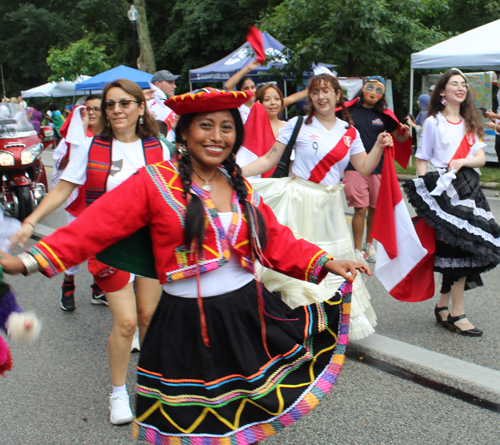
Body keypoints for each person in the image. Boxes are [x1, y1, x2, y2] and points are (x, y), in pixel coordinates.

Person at [1, 87, 370, 444]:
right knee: (193, 427)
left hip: (247, 313)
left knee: (248, 417)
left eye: (226, 127)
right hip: (186, 323)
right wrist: (26, 262)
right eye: (205, 125)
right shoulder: (154, 181)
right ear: (184, 133)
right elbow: (91, 228)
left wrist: (325, 262)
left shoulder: (238, 184)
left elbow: (274, 238)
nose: (217, 136)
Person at [11, 79, 170, 425]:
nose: (117, 110)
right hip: (108, 245)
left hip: (151, 246)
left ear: (141, 107)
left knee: (148, 319)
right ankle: (117, 394)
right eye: (111, 104)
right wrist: (31, 220)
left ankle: (155, 389)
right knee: (126, 323)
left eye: (125, 103)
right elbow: (64, 188)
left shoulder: (159, 148)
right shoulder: (93, 148)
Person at [242, 73, 394, 340]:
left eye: (327, 91)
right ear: (310, 97)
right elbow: (268, 159)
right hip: (299, 200)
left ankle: (326, 326)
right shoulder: (298, 124)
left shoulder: (350, 132)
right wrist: (235, 173)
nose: (321, 97)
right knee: (298, 261)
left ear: (338, 95)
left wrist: (380, 147)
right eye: (315, 92)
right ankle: (294, 327)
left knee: (332, 264)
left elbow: (365, 167)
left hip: (329, 207)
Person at [403, 69, 500, 336]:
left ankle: (444, 307)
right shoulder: (433, 121)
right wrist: (426, 196)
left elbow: (480, 158)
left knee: (467, 249)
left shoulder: (470, 122)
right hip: (445, 193)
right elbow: (422, 157)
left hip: (470, 189)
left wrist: (462, 161)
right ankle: (457, 313)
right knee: (456, 252)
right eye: (454, 84)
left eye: (463, 84)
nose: (460, 88)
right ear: (443, 91)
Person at [343, 76, 410, 263]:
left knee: (373, 208)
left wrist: (405, 132)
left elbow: (401, 138)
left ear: (382, 95)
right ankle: (357, 250)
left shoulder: (385, 115)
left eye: (378, 90)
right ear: (363, 89)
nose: (373, 92)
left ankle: (369, 246)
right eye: (370, 88)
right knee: (360, 208)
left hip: (378, 168)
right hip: (354, 167)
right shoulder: (348, 111)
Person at [49, 94, 107, 310]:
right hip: (78, 198)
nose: (91, 113)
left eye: (97, 109)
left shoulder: (112, 137)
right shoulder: (73, 138)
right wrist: (76, 143)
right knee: (74, 246)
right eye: (87, 109)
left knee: (102, 246)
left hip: (103, 199)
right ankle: (68, 284)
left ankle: (98, 288)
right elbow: (61, 166)